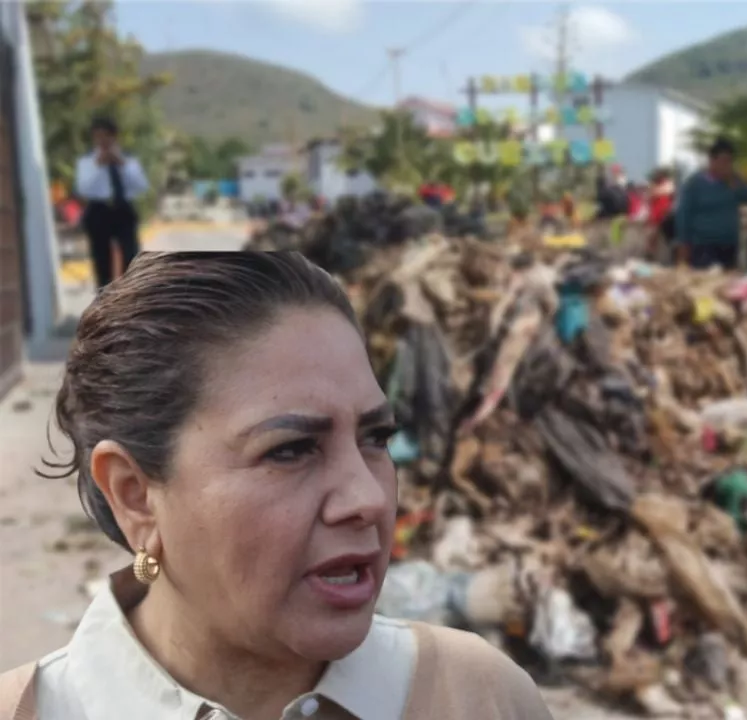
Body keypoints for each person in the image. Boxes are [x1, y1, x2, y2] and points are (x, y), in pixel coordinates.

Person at [0, 253, 553, 720]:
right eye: (290, 450)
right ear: (134, 495)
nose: (369, 498)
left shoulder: (477, 697)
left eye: (376, 437)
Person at [75, 117, 149, 288]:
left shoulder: (128, 160)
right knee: (102, 260)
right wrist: (98, 166)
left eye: (106, 137)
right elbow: (83, 189)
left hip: (123, 209)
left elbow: (141, 186)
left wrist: (123, 165)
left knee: (131, 258)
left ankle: (131, 296)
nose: (102, 142)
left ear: (114, 137)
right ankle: (105, 300)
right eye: (97, 137)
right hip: (99, 210)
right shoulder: (87, 162)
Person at [674, 138, 747, 270]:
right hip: (703, 246)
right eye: (723, 161)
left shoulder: (733, 182)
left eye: (729, 161)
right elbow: (683, 214)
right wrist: (683, 243)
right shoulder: (695, 183)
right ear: (712, 161)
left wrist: (735, 183)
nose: (726, 165)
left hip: (729, 244)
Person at [645, 169, 677, 261]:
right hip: (654, 217)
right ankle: (649, 256)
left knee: (671, 241)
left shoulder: (668, 185)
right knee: (651, 238)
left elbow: (669, 191)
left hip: (665, 217)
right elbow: (650, 195)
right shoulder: (653, 186)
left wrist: (657, 191)